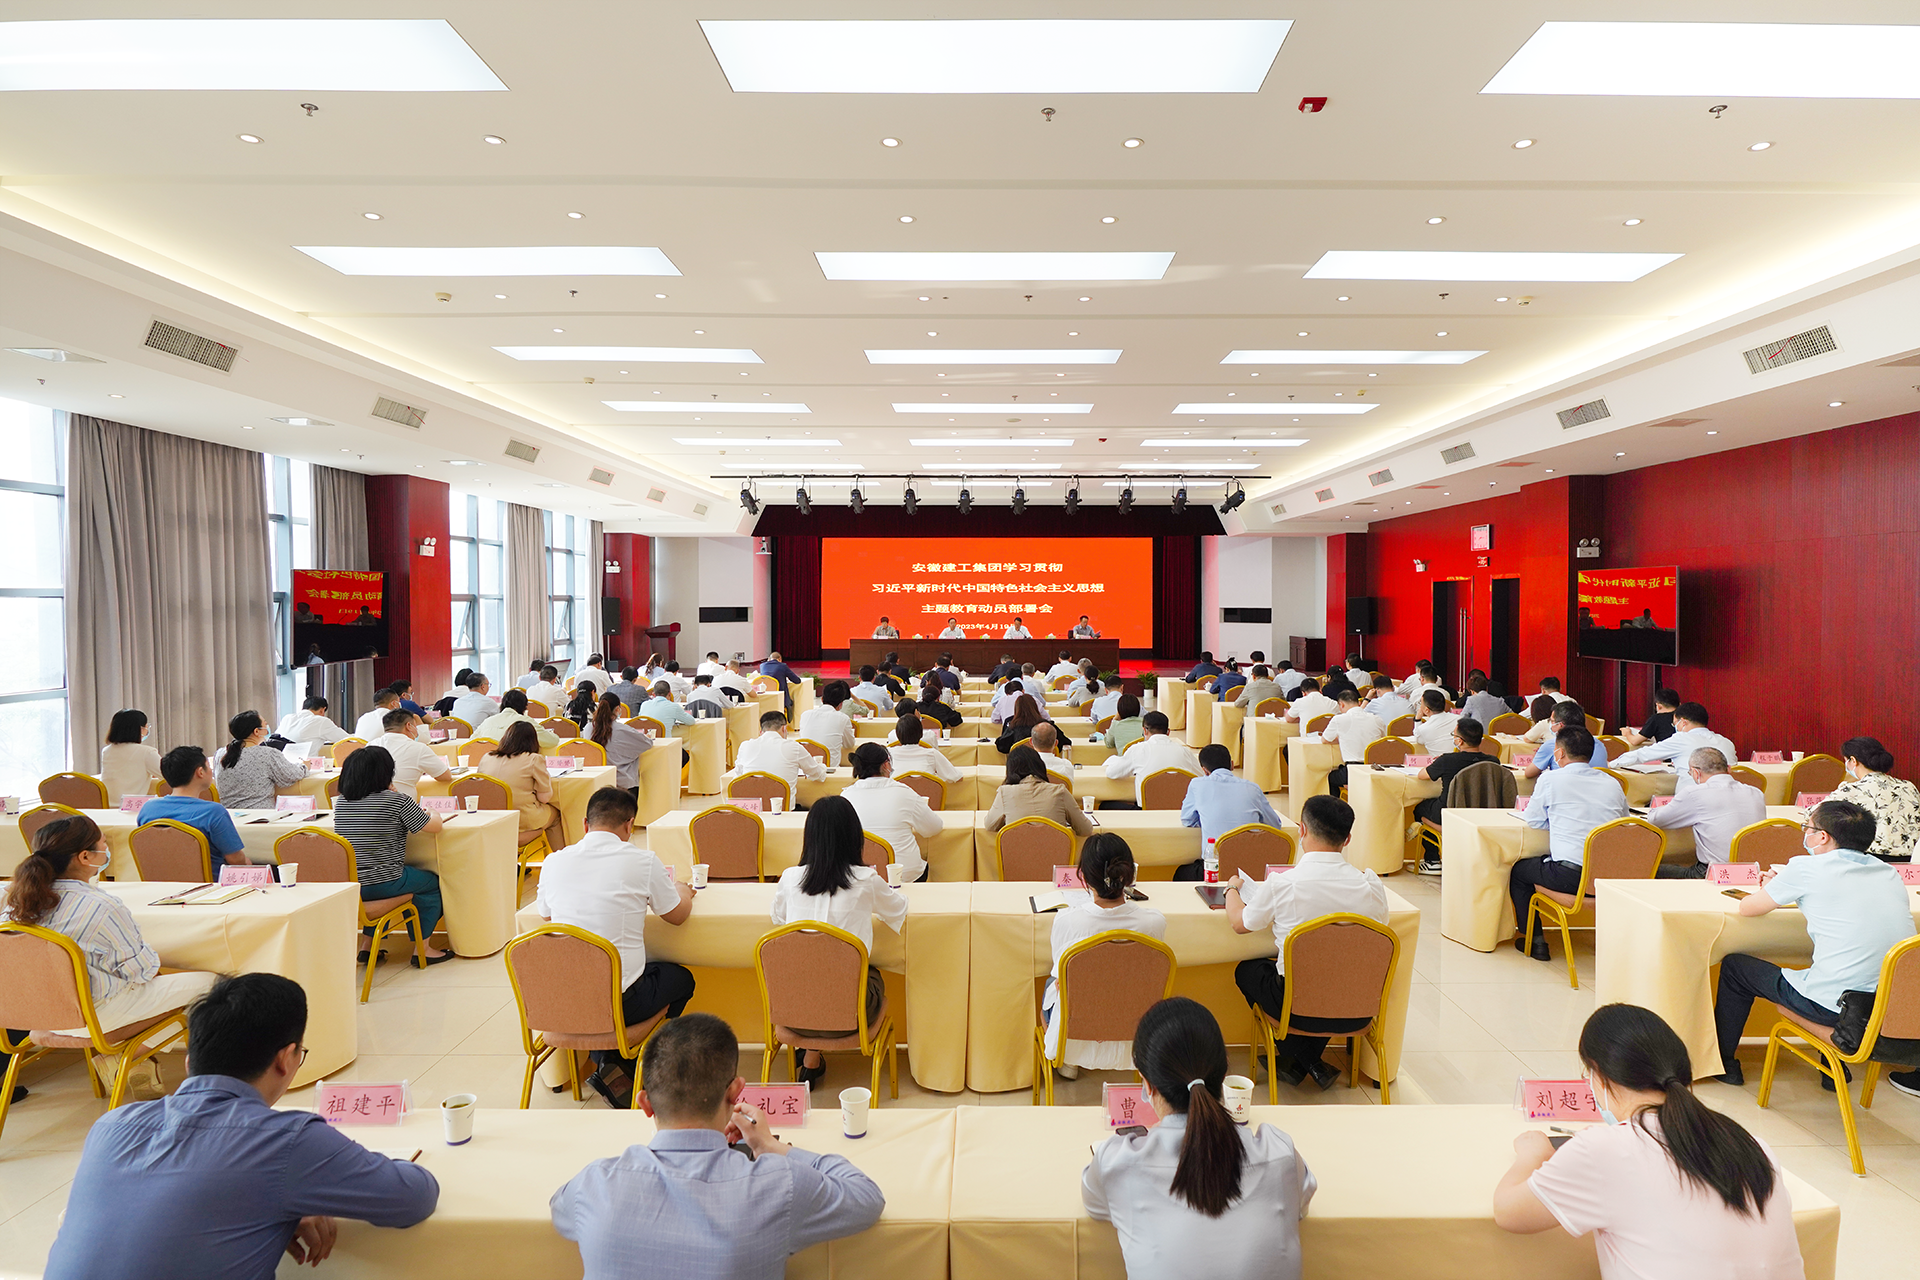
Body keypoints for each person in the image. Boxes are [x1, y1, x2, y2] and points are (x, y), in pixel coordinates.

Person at [42, 973, 438, 1280]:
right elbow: (413, 1196)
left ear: (189, 1061)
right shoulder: (286, 1141)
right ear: (286, 1059)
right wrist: (296, 1195)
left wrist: (275, 1201)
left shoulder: (112, 1126)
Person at [550, 1013, 883, 1277]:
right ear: (736, 1092)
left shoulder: (595, 1183)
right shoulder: (779, 1183)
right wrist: (771, 1146)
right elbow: (866, 1197)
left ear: (645, 1103)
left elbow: (560, 1211)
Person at [1493, 1002, 1806, 1278]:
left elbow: (1509, 1213)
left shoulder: (1604, 1150)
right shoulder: (1752, 1145)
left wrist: (1532, 1154)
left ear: (1598, 1075)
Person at [1083, 997, 1314, 1280]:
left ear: (1147, 1085)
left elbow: (1095, 1204)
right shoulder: (1278, 1152)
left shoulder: (1118, 1162)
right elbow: (1301, 1201)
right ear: (1224, 1072)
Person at [3, 815, 221, 1098]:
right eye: (103, 844)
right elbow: (142, 971)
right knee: (213, 986)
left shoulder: (12, 902)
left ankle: (131, 1057)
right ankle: (126, 1056)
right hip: (93, 1018)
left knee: (152, 993)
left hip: (33, 1015)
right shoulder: (101, 905)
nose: (107, 851)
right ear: (85, 856)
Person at [1712, 800, 1914, 1086]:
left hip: (1838, 1008)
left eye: (1807, 828)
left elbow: (1748, 908)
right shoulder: (1888, 873)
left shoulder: (1805, 867)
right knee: (1830, 963)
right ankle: (1831, 1071)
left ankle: (1725, 1065)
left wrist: (1773, 887)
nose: (1805, 834)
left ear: (1822, 837)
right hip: (1889, 1008)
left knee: (1735, 967)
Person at [536, 787, 694, 1107]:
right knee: (681, 979)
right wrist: (682, 891)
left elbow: (547, 916)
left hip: (562, 1001)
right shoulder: (642, 861)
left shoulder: (553, 861)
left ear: (585, 824)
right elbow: (676, 916)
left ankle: (609, 1063)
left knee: (621, 980)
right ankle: (625, 1061)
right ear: (629, 824)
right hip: (620, 1003)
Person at [1226, 795, 1388, 1090]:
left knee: (1248, 970)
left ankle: (1299, 1057)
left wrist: (1231, 890)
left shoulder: (1283, 884)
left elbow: (1239, 924)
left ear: (1301, 830)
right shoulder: (1371, 885)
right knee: (1329, 976)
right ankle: (1309, 1061)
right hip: (1357, 1007)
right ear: (1348, 839)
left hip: (1298, 1010)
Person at [768, 796, 908, 1084]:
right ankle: (812, 1054)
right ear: (854, 836)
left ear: (809, 837)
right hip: (850, 1015)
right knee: (866, 973)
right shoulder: (866, 880)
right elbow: (898, 911)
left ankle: (811, 1054)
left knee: (811, 973)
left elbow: (778, 919)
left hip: (792, 1011)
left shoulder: (790, 878)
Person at [1042, 834, 1165, 1078]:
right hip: (1137, 1031)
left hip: (1074, 1034)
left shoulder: (1067, 921)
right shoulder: (1154, 922)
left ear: (1083, 877)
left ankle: (1071, 1061)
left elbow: (1060, 977)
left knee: (1052, 983)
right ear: (1130, 875)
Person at [1512, 726, 1630, 962]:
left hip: (1570, 876)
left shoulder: (1550, 779)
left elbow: (1533, 819)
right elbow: (1623, 822)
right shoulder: (1612, 782)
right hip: (1610, 875)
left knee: (1519, 871)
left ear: (1559, 753)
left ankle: (1535, 941)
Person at [331, 746, 452, 966]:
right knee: (432, 884)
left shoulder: (342, 802)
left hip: (353, 883)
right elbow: (434, 826)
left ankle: (367, 947)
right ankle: (423, 949)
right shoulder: (396, 801)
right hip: (386, 881)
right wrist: (433, 812)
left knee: (381, 880)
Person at [1650, 748, 1767, 877]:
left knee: (1649, 868)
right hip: (1753, 872)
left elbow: (1656, 820)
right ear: (1729, 769)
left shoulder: (1694, 793)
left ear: (1696, 772)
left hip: (1715, 874)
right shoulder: (1756, 793)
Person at [1179, 743, 1282, 880]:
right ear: (1232, 765)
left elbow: (1187, 819)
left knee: (1180, 873)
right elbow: (1275, 825)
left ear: (1204, 770)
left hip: (1215, 871)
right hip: (1251, 869)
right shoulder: (1253, 788)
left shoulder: (1197, 784)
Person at [843, 742, 942, 883]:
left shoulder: (846, 796)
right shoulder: (904, 792)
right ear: (885, 765)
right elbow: (933, 828)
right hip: (905, 874)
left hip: (859, 875)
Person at [1412, 717, 1499, 873]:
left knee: (1420, 809)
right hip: (1482, 812)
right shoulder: (1493, 761)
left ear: (1459, 741)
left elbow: (1422, 775)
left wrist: (1436, 763)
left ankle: (1433, 859)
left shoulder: (1447, 760)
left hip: (1449, 810)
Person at [140, 746, 247, 869]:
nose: (211, 771)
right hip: (212, 880)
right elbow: (236, 860)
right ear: (200, 772)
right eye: (209, 767)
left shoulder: (148, 809)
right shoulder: (213, 812)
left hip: (160, 879)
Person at [1612, 703, 1737, 795]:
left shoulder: (1681, 738)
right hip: (1727, 797)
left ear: (1683, 722)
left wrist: (1611, 764)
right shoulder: (1726, 742)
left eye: (1674, 723)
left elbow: (1642, 755)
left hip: (1691, 799)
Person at [1831, 736, 1920, 862]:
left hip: (1872, 860)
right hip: (1912, 859)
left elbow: (1814, 814)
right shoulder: (1908, 786)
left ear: (1853, 760)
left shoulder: (1853, 789)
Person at [480, 722, 561, 846]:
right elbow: (544, 798)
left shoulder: (487, 757)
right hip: (523, 820)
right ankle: (560, 855)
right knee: (556, 815)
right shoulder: (533, 759)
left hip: (493, 820)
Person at [985, 745, 1094, 837]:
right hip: (1056, 853)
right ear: (1040, 766)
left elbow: (990, 825)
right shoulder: (1060, 792)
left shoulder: (1005, 793)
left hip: (1016, 854)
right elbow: (1086, 829)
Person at [211, 711, 310, 810]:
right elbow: (292, 775)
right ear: (257, 731)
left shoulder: (220, 754)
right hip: (261, 814)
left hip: (228, 814)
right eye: (265, 724)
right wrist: (304, 766)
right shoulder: (268, 754)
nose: (267, 727)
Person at [1103, 711, 1203, 806]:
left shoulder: (1138, 750)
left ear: (1145, 731)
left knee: (1106, 805)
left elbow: (1111, 772)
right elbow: (1202, 775)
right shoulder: (1184, 751)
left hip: (1146, 811)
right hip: (1179, 811)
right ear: (1168, 732)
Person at [730, 710, 827, 801]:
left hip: (750, 808)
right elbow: (818, 774)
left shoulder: (745, 746)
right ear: (784, 728)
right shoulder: (793, 747)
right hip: (782, 809)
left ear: (761, 731)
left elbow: (738, 776)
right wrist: (822, 766)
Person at [370, 709, 451, 798]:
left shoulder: (371, 745)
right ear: (409, 726)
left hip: (370, 802)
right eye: (415, 727)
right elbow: (445, 776)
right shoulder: (418, 748)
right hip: (403, 803)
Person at [1321, 687, 1385, 794]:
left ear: (1341, 705)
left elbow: (1325, 739)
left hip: (1352, 769)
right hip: (1375, 768)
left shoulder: (1339, 719)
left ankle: (1337, 802)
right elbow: (1382, 740)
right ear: (1359, 703)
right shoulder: (1377, 719)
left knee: (1331, 777)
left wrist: (1340, 738)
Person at [1521, 701, 1607, 778]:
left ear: (1560, 725)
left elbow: (1529, 773)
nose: (1550, 724)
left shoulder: (1553, 745)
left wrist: (1537, 758)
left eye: (1552, 721)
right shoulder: (1599, 745)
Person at [589, 693, 655, 792]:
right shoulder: (622, 730)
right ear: (617, 709)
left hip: (597, 782)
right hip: (622, 783)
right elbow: (647, 743)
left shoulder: (588, 728)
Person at [99, 708, 163, 804]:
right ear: (140, 729)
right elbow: (170, 776)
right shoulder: (147, 752)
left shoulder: (107, 751)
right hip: (131, 806)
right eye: (147, 726)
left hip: (106, 806)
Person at [475, 687, 562, 752]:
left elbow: (472, 742)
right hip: (515, 766)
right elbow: (551, 741)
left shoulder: (487, 721)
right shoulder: (525, 722)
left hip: (487, 766)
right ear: (524, 707)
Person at [886, 715, 963, 786]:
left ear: (897, 735)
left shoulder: (888, 754)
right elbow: (957, 777)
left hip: (896, 795)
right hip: (926, 796)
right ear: (921, 734)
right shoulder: (932, 754)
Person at [796, 682, 859, 767]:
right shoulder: (842, 718)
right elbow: (849, 744)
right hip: (830, 768)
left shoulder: (805, 714)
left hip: (804, 767)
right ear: (841, 704)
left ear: (821, 699)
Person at [275, 695, 347, 760]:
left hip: (280, 764)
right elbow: (346, 739)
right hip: (306, 766)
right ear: (322, 710)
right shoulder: (320, 721)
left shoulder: (287, 718)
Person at [1410, 688, 1463, 757]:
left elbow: (1419, 740)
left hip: (1439, 761)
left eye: (1420, 703)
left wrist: (1417, 720)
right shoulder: (1459, 719)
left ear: (1426, 710)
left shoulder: (1423, 729)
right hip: (1460, 759)